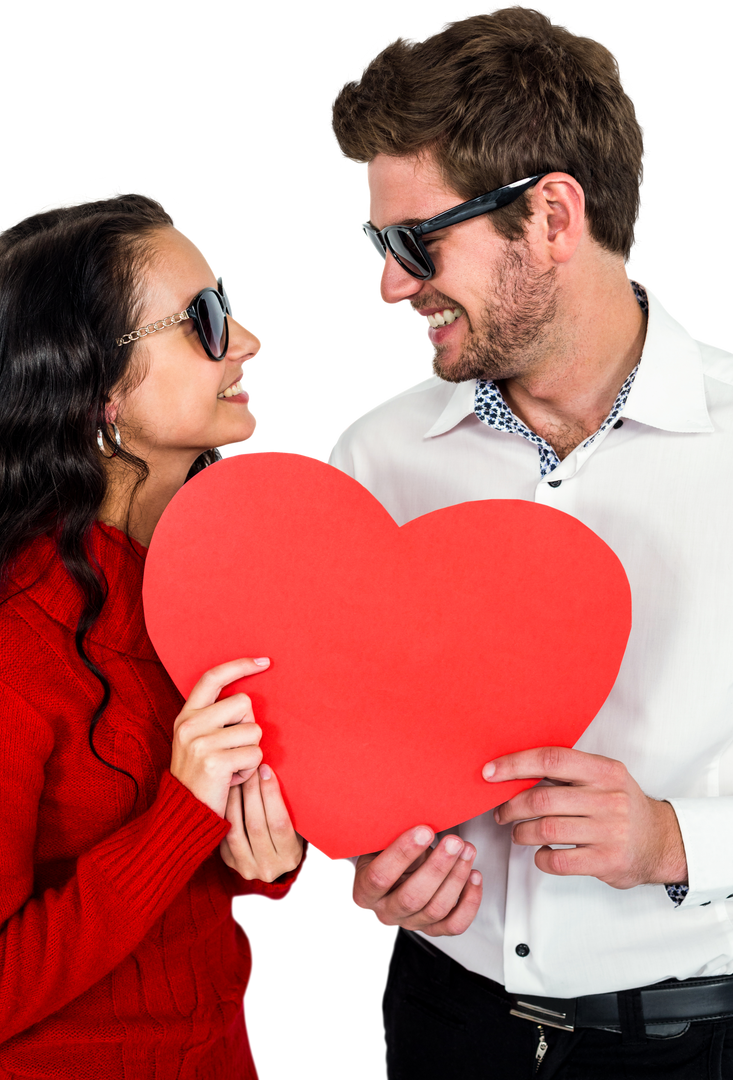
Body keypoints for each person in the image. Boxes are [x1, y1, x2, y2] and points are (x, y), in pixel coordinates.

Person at [324, 5, 733, 1078]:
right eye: (378, 243)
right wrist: (371, 859)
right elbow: (344, 741)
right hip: (441, 1027)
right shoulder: (373, 458)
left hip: (696, 1043)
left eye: (416, 242)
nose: (389, 284)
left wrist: (674, 839)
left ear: (552, 214)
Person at [0, 189, 309, 1079]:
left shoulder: (232, 580)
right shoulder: (17, 642)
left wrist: (262, 851)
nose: (246, 341)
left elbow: (209, 871)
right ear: (96, 387)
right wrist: (183, 814)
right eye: (204, 319)